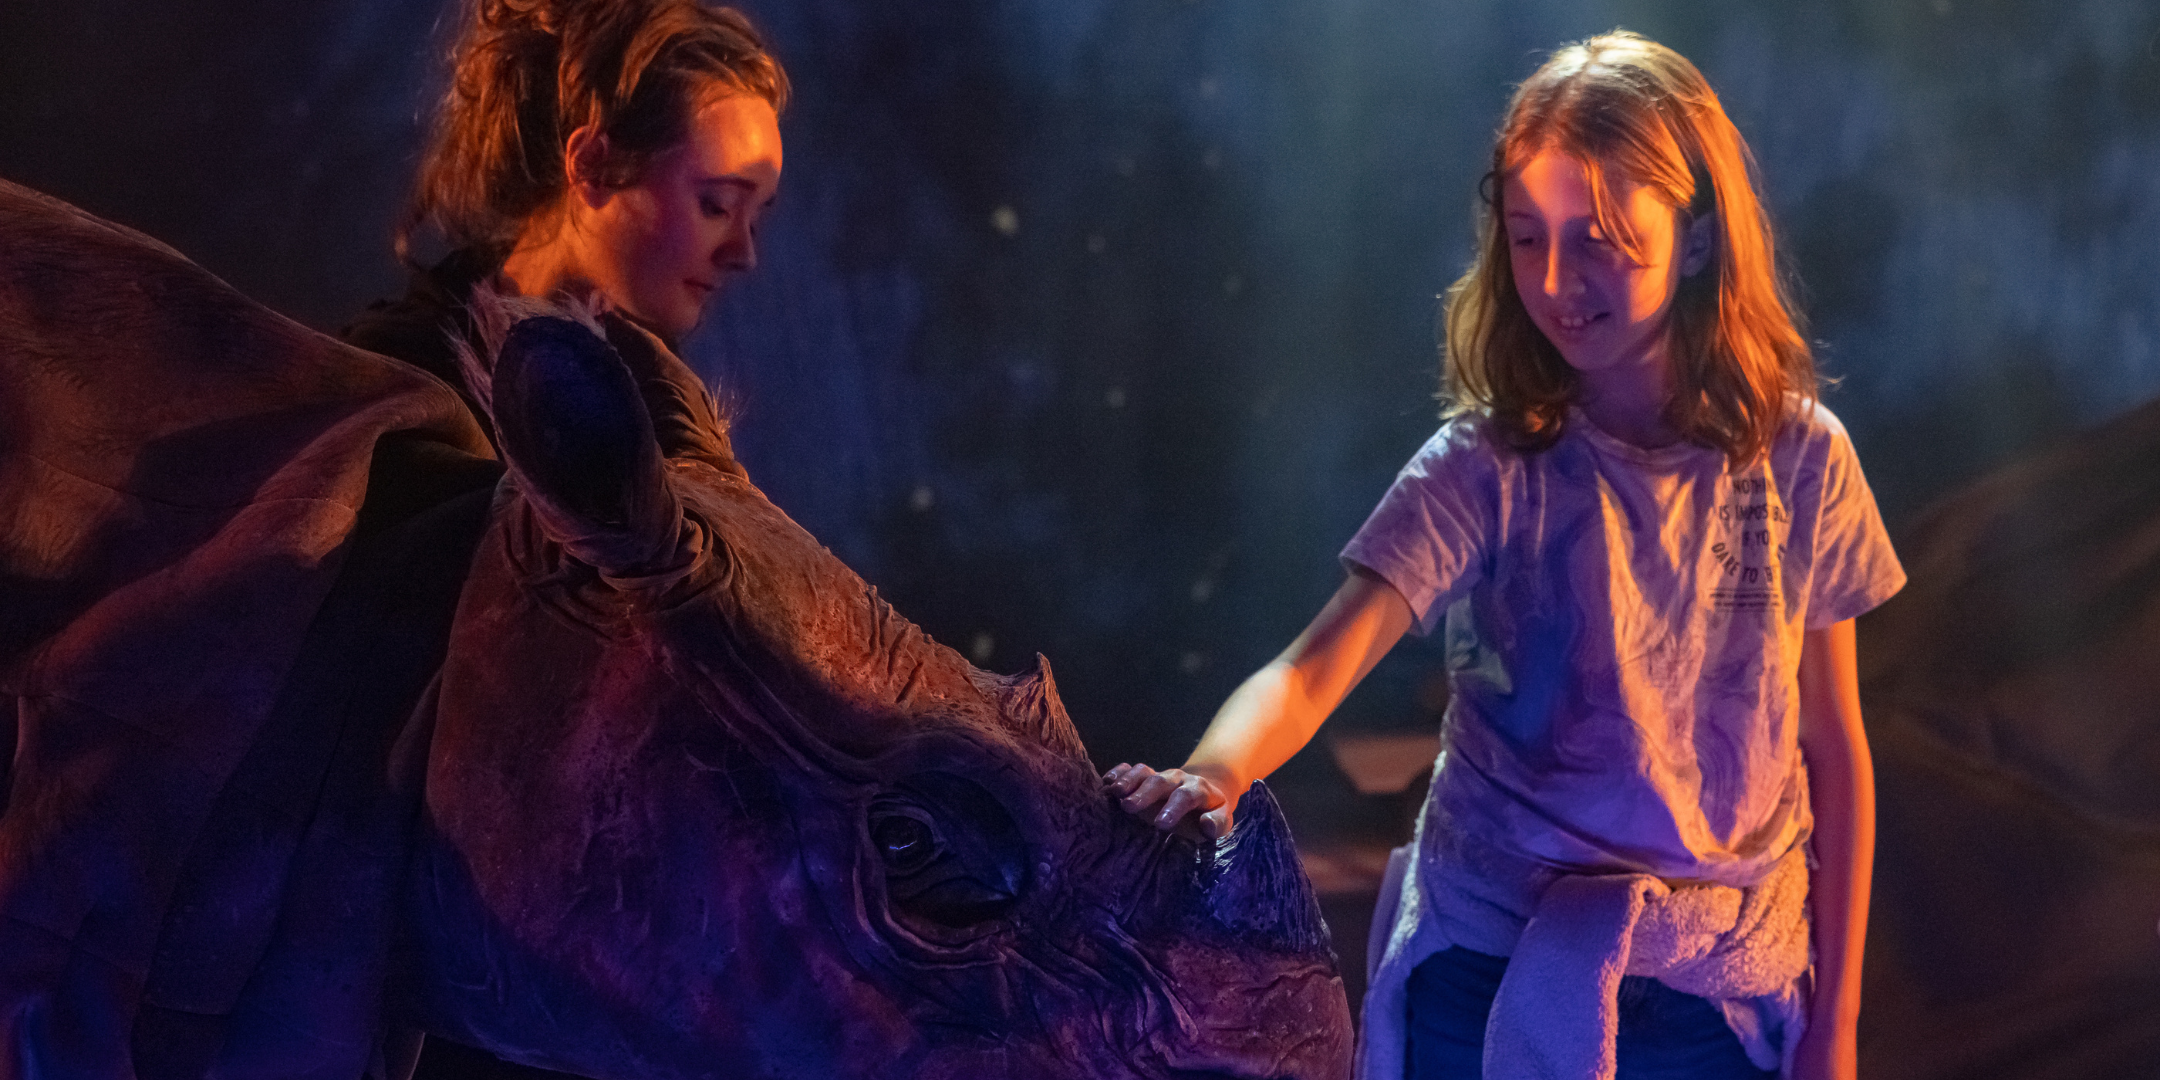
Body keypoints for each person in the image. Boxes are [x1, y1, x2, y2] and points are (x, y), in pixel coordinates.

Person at [1106, 31, 1902, 1080]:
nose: (1559, 279)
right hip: (1494, 967)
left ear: (1698, 239)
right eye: (1529, 237)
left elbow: (1832, 751)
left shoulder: (1800, 459)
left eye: (1604, 240)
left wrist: (1836, 1027)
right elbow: (1313, 666)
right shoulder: (1487, 462)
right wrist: (1211, 775)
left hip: (1719, 991)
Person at [342, 2, 787, 1076]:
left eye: (756, 211)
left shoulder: (671, 434)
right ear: (592, 164)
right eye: (719, 203)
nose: (744, 252)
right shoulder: (395, 400)